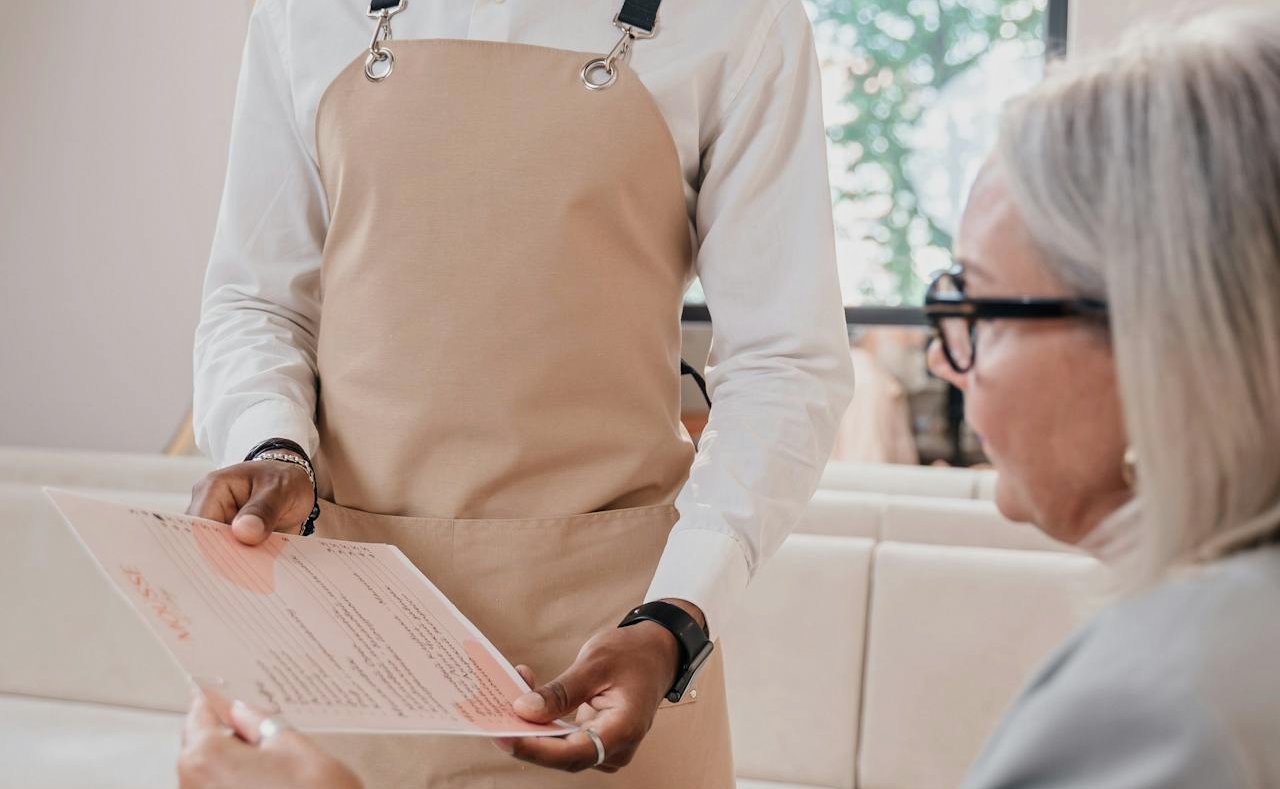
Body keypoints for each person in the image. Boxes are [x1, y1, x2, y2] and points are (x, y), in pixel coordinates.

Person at [185, 0, 853, 786]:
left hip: (614, 651)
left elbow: (784, 360)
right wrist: (272, 443)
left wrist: (678, 615)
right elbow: (257, 302)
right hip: (344, 636)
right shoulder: (304, 12)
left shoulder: (740, 19)